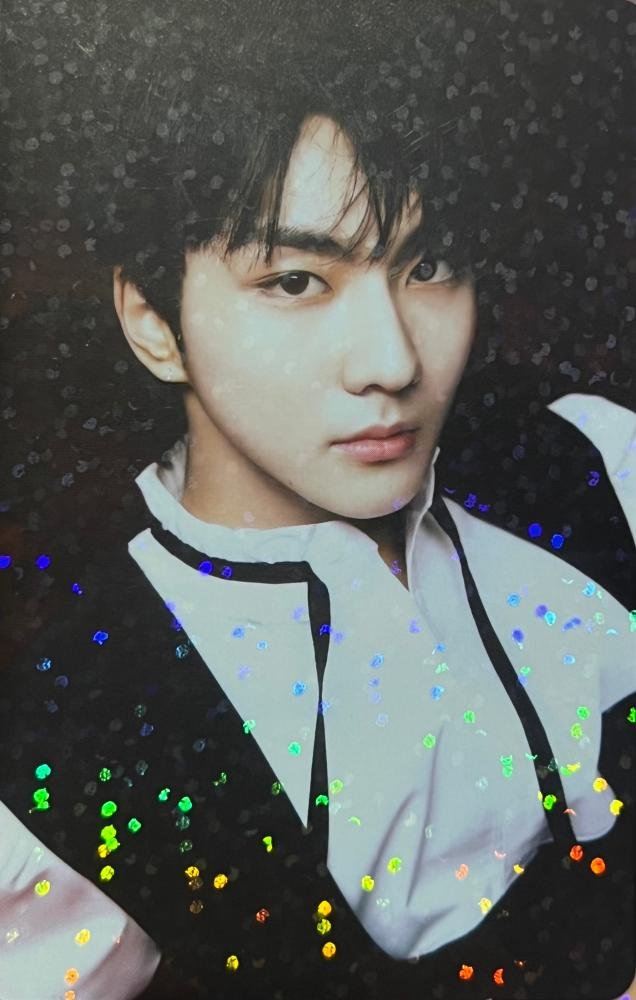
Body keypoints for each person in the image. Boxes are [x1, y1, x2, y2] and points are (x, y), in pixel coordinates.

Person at [1, 2, 634, 998]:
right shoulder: (81, 737)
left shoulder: (587, 459)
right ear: (154, 321)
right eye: (296, 281)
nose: (393, 361)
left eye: (427, 266)